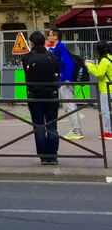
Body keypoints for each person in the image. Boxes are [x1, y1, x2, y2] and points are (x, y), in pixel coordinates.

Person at [21, 29, 61, 165]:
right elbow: (57, 73)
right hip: (51, 95)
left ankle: (43, 157)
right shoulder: (53, 58)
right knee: (52, 126)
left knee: (38, 126)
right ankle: (53, 156)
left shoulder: (26, 58)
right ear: (44, 43)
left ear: (31, 44)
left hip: (34, 95)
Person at [46, 28, 83, 140]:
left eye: (50, 35)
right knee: (68, 106)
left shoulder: (61, 48)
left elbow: (69, 64)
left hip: (65, 81)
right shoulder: (59, 48)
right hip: (65, 80)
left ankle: (77, 131)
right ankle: (76, 129)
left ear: (55, 37)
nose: (48, 37)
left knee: (70, 106)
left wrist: (64, 79)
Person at [85, 40, 112, 139]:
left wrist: (89, 66)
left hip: (106, 89)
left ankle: (108, 132)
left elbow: (99, 72)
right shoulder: (110, 58)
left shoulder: (104, 60)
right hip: (110, 88)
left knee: (106, 111)